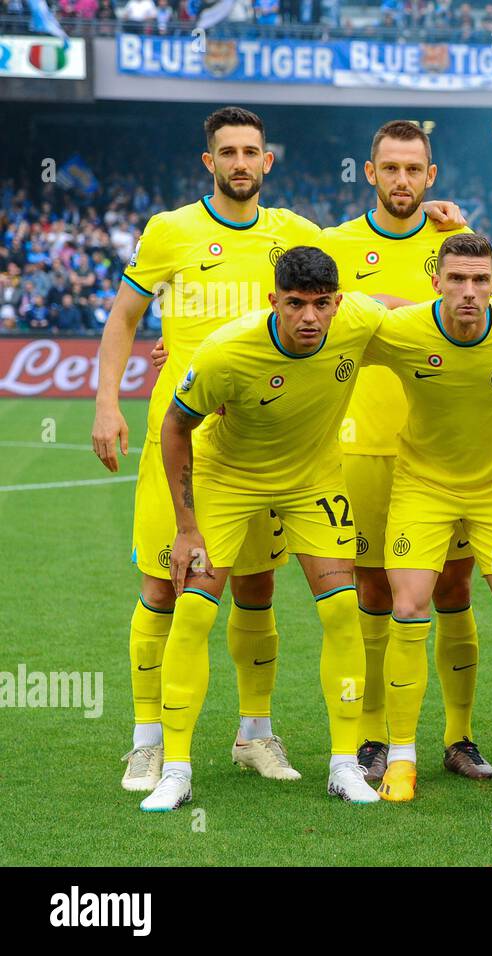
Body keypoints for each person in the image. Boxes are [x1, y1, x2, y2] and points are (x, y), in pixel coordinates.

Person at [94, 107, 319, 793]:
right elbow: (124, 318)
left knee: (256, 584)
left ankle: (255, 735)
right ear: (209, 163)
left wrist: (439, 216)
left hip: (261, 440)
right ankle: (148, 741)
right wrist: (107, 403)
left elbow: (356, 281)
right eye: (229, 151)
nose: (241, 162)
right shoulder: (169, 231)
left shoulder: (296, 235)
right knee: (164, 582)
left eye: (252, 151)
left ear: (267, 162)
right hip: (180, 435)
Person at [143, 246, 388, 811]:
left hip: (314, 482)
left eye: (321, 304)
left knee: (341, 611)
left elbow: (408, 313)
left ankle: (345, 766)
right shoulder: (228, 351)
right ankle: (175, 770)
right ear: (273, 300)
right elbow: (176, 425)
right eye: (296, 304)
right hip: (227, 479)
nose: (309, 317)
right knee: (195, 610)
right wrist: (187, 527)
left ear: (338, 303)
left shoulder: (358, 321)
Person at [362, 233, 492, 802]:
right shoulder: (402, 331)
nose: (469, 292)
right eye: (457, 280)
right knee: (408, 605)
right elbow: (329, 329)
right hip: (421, 489)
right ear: (435, 284)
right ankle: (401, 757)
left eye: (480, 281)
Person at [320, 120, 486, 785]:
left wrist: (467, 226)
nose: (401, 180)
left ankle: (458, 736)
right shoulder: (333, 245)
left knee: (452, 586)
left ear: (430, 176)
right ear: (370, 173)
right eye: (389, 168)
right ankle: (371, 739)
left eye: (413, 169)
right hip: (361, 446)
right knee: (373, 589)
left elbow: (491, 311)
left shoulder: (453, 243)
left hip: (445, 450)